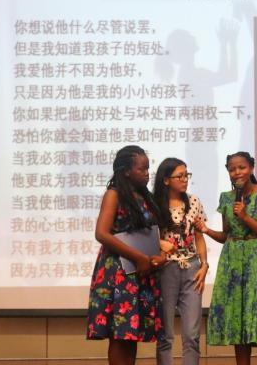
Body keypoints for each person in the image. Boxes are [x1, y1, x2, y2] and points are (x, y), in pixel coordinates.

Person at [195, 151, 257, 365]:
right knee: (239, 326)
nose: (237, 172)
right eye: (232, 169)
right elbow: (227, 235)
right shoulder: (227, 198)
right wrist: (207, 230)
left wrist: (245, 217)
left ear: (251, 168)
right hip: (233, 265)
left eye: (242, 167)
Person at [86, 145, 167, 365]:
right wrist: (138, 257)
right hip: (119, 272)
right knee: (120, 335)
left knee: (131, 334)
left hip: (141, 272)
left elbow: (152, 233)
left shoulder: (145, 197)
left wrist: (159, 256)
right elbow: (102, 233)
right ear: (127, 171)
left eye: (148, 168)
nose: (147, 173)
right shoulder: (114, 195)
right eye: (142, 169)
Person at [153, 158, 209, 365]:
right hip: (166, 269)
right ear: (166, 180)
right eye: (180, 176)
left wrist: (204, 265)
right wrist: (161, 244)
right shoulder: (154, 204)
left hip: (192, 268)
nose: (185, 179)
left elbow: (199, 237)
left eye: (187, 175)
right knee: (165, 335)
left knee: (192, 335)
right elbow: (146, 236)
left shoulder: (194, 202)